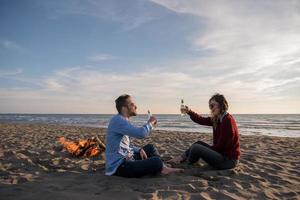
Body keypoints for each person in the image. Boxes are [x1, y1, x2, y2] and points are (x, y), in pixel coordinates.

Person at [105, 94, 183, 178]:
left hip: (127, 158)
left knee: (150, 147)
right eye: (132, 104)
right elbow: (141, 134)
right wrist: (150, 123)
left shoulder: (122, 120)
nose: (136, 106)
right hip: (119, 166)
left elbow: (125, 145)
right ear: (124, 108)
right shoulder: (118, 120)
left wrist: (139, 150)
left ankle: (162, 167)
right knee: (156, 161)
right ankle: (161, 167)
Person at [168, 93, 240, 170]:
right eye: (210, 106)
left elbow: (223, 145)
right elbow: (201, 120)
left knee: (196, 147)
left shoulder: (227, 120)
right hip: (221, 154)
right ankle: (181, 158)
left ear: (221, 105)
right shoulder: (218, 119)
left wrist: (207, 150)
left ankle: (189, 163)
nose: (211, 108)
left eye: (213, 105)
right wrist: (189, 111)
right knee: (198, 143)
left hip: (228, 161)